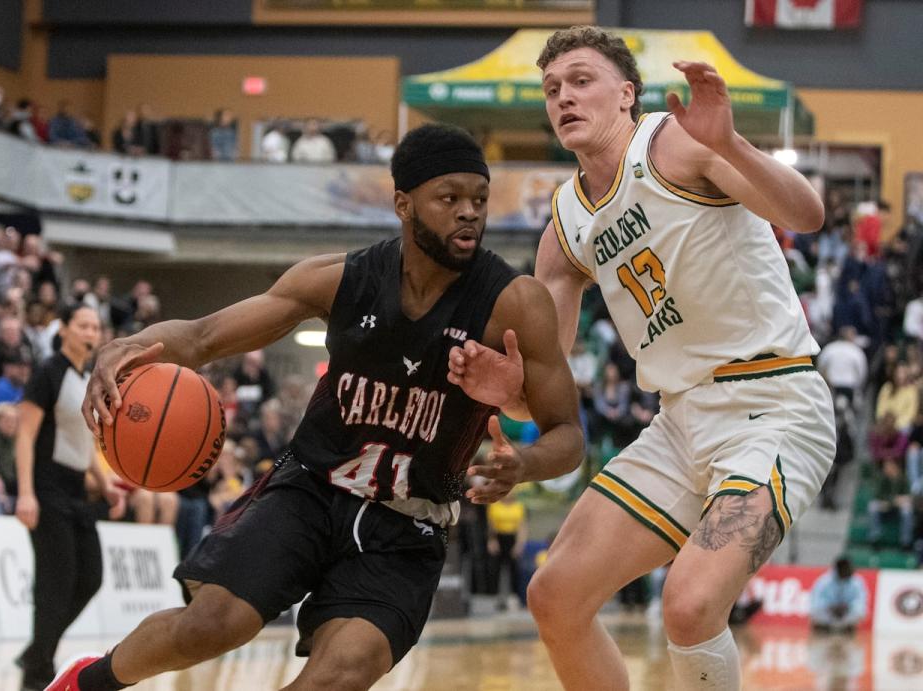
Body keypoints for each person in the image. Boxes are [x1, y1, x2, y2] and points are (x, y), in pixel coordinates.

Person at [48, 123, 583, 691]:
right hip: (310, 489)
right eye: (449, 199)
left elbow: (568, 433)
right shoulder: (341, 279)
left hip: (407, 525)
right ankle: (88, 683)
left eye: (478, 198)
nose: (469, 213)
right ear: (404, 204)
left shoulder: (515, 302)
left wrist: (523, 466)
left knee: (341, 672)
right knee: (209, 625)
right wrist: (130, 346)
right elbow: (204, 337)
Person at [447, 26, 835, 691]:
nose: (563, 97)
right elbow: (540, 391)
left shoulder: (678, 144)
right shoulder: (565, 227)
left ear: (626, 94)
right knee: (555, 594)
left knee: (688, 604)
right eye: (551, 89)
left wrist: (729, 142)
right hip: (680, 424)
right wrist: (506, 387)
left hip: (773, 407)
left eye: (580, 80)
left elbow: (808, 213)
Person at [15, 304, 125, 690]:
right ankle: (36, 670)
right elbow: (25, 434)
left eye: (95, 326)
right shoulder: (48, 372)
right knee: (55, 583)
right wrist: (26, 493)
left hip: (78, 488)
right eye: (82, 325)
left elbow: (82, 442)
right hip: (46, 486)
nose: (90, 332)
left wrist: (104, 480)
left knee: (90, 576)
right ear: (64, 329)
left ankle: (37, 650)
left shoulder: (85, 378)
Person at [810, 557, 868, 633]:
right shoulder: (824, 581)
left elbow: (861, 602)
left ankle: (848, 629)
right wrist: (830, 607)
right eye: (846, 569)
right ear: (838, 569)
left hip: (846, 617)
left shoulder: (857, 582)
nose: (850, 571)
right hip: (828, 617)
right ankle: (823, 629)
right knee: (815, 612)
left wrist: (848, 607)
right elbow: (815, 602)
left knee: (859, 612)